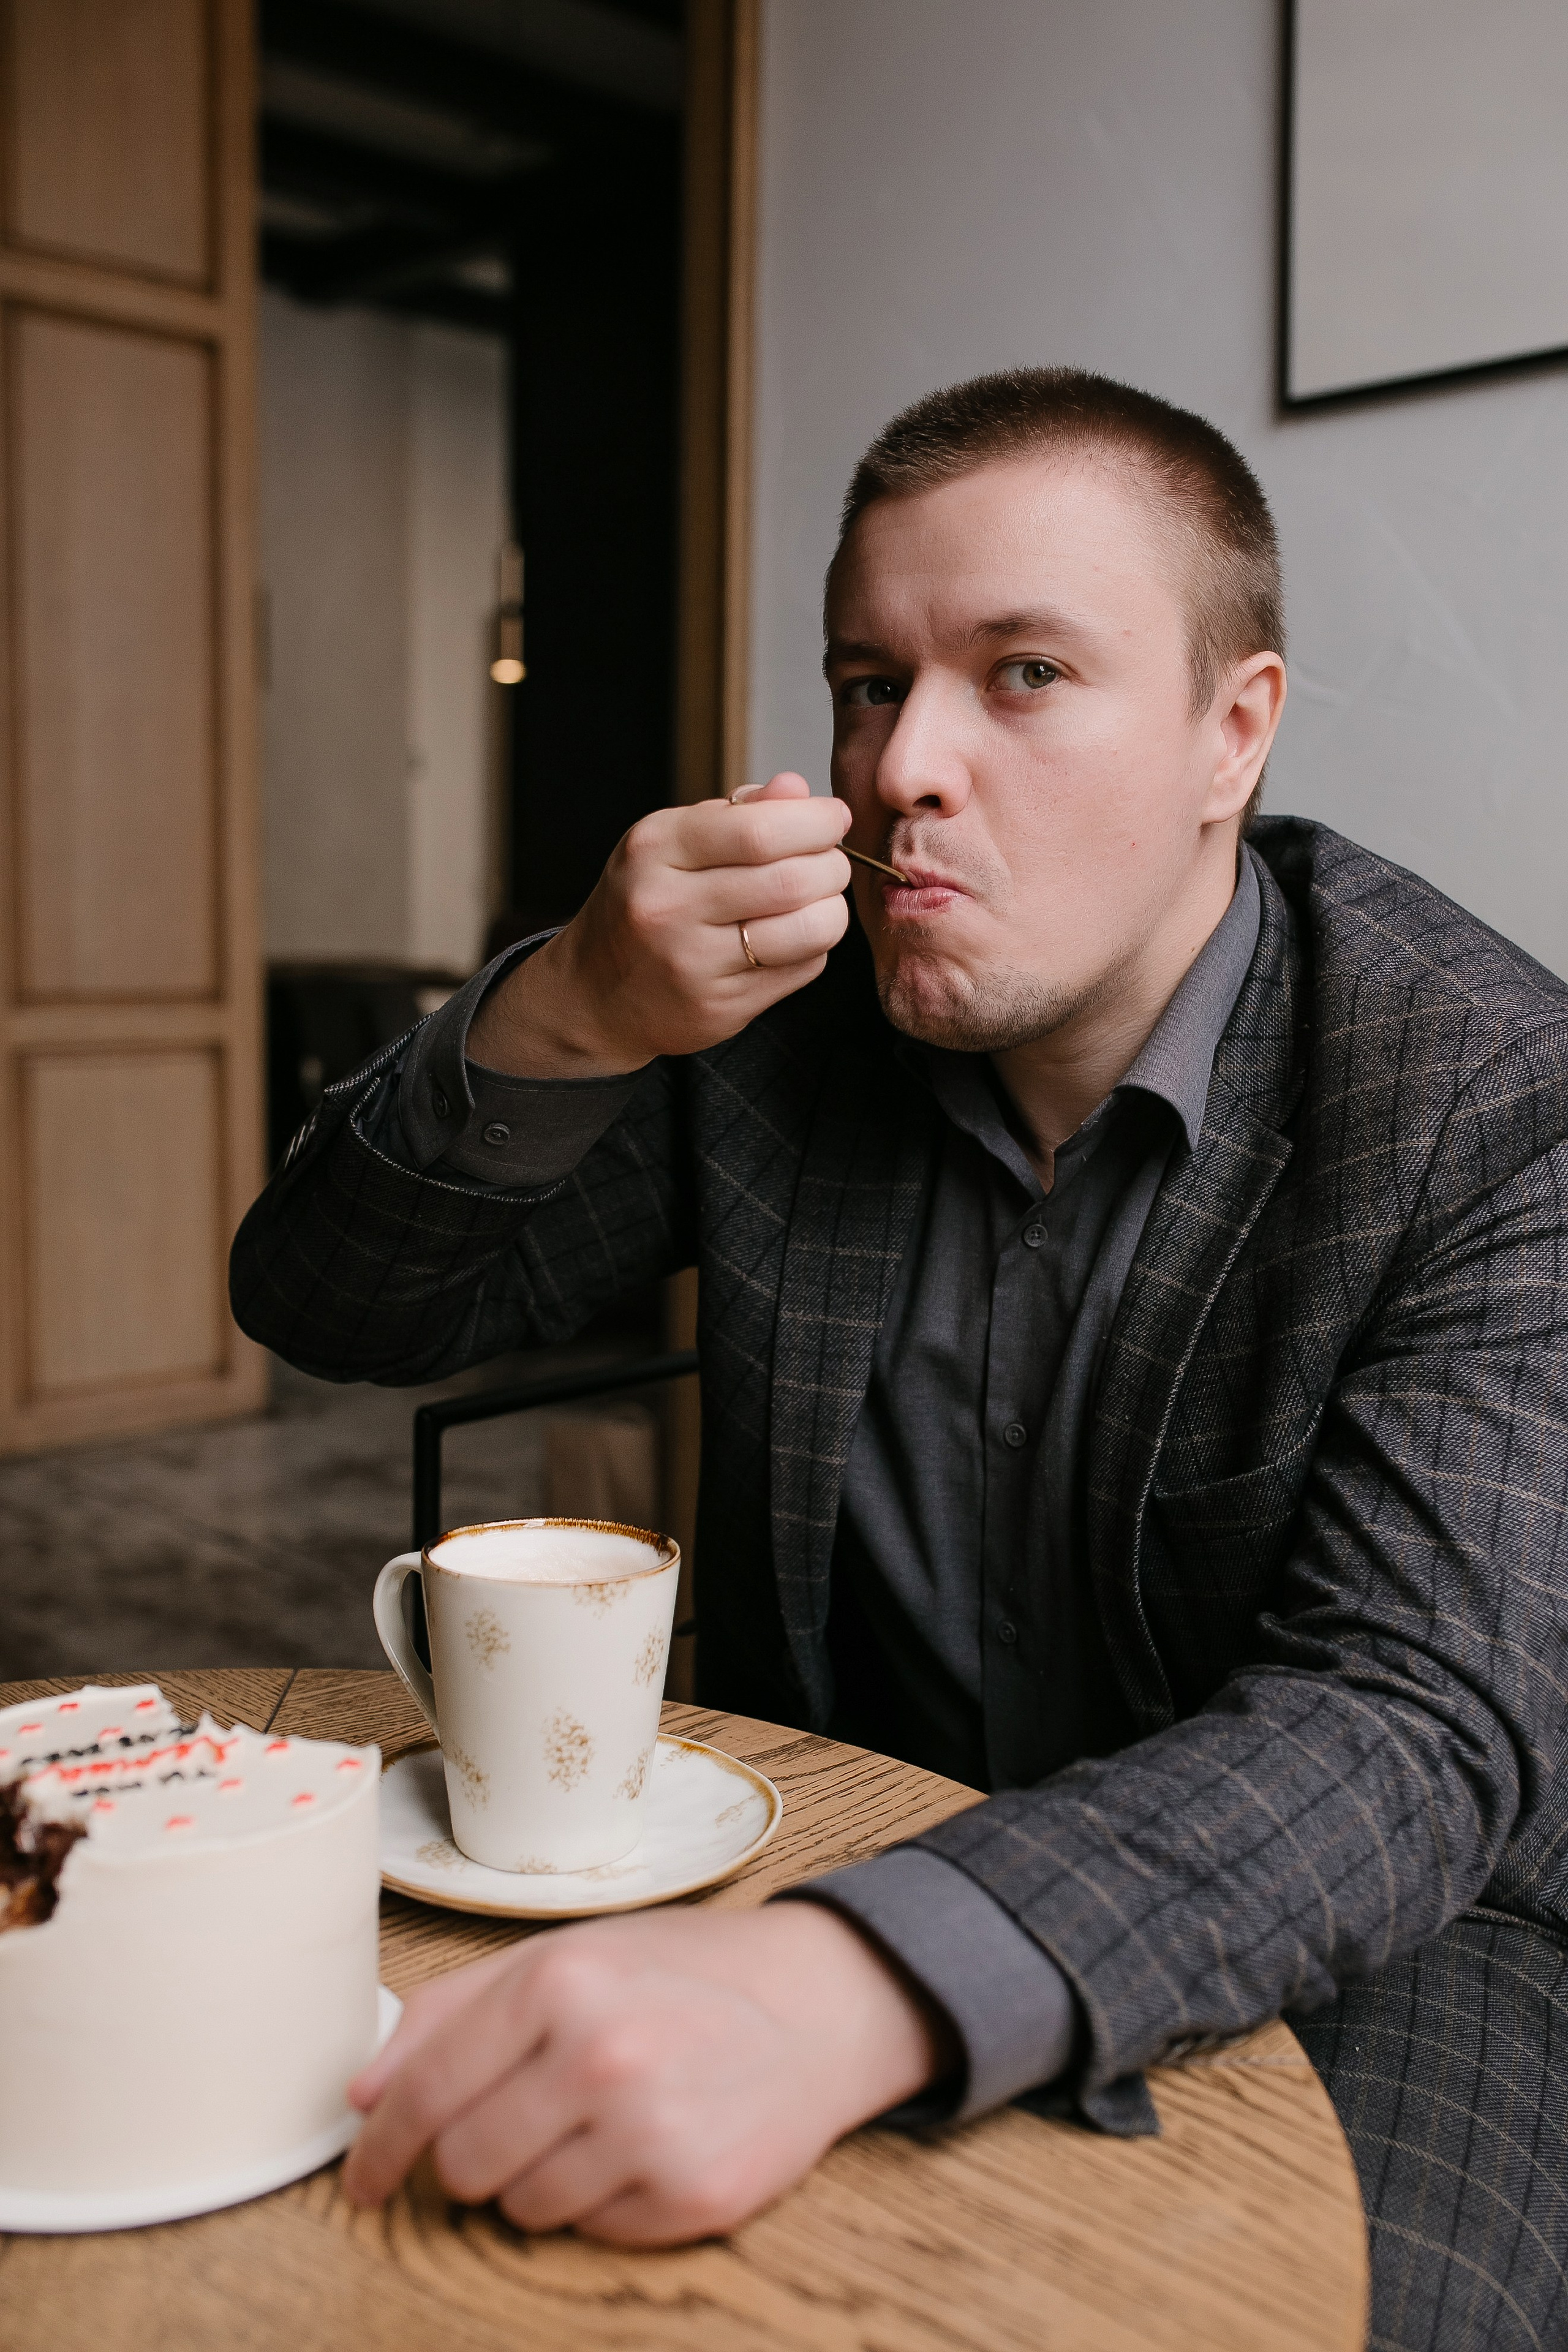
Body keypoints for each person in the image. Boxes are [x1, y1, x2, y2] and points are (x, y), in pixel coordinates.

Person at [232, 369, 1568, 2352]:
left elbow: (1409, 1724)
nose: (903, 767)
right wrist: (575, 1011)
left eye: (1022, 674)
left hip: (1390, 1933)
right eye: (871, 680)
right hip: (830, 1822)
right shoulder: (778, 1031)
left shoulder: (1487, 1093)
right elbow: (339, 1311)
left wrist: (848, 1983)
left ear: (1234, 732)